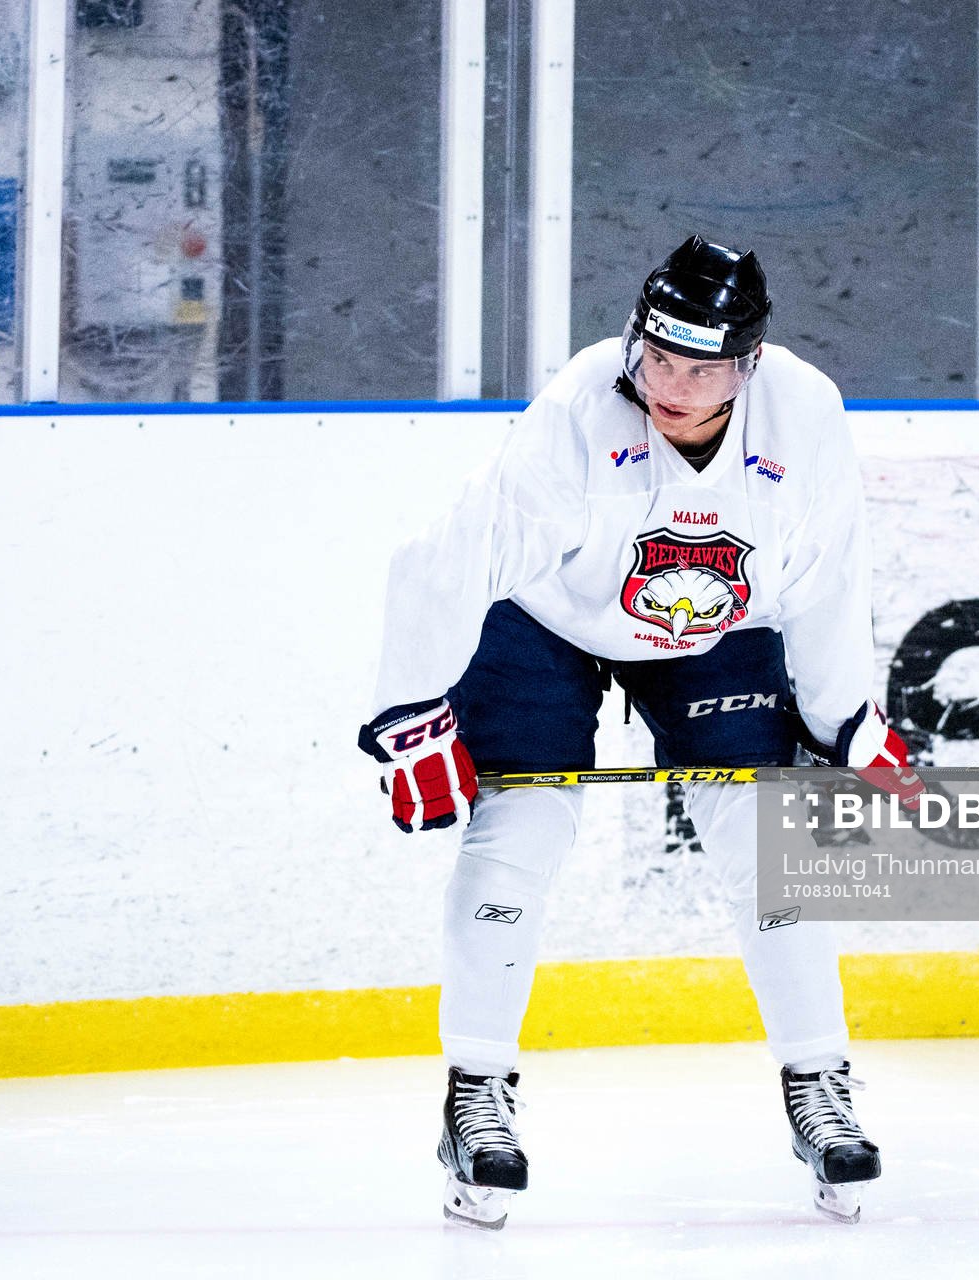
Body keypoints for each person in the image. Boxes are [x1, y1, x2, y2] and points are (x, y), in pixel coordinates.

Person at [358, 236, 924, 1228]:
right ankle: (476, 1098)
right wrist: (410, 713)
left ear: (748, 364)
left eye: (702, 367)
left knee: (765, 839)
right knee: (522, 833)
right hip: (548, 614)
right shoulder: (579, 411)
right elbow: (444, 556)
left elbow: (833, 575)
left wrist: (844, 720)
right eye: (659, 357)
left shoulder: (808, 414)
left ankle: (818, 1083)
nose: (671, 383)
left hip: (715, 624)